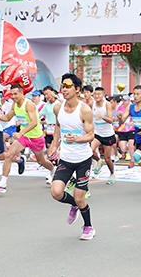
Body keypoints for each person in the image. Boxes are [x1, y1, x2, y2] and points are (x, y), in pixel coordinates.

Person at [48, 73, 96, 240]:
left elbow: (91, 135)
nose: (64, 89)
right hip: (66, 159)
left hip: (83, 159)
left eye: (68, 86)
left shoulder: (85, 110)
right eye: (63, 86)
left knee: (80, 197)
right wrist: (54, 145)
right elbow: (58, 127)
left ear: (77, 89)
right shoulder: (58, 108)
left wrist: (77, 139)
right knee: (56, 192)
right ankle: (74, 205)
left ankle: (88, 227)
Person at [0, 84, 56, 193]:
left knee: (41, 161)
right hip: (24, 137)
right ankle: (3, 183)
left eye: (15, 94)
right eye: (11, 94)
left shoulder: (28, 104)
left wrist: (20, 133)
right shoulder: (14, 105)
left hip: (36, 137)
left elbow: (34, 122)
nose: (13, 96)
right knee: (9, 155)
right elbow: (7, 117)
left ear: (22, 93)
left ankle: (53, 170)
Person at [91, 87, 116, 184]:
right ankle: (98, 161)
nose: (97, 96)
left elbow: (111, 120)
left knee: (108, 158)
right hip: (97, 133)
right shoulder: (92, 103)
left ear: (103, 95)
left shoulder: (107, 104)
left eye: (99, 94)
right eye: (95, 94)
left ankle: (112, 173)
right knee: (90, 151)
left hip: (107, 134)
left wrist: (102, 117)